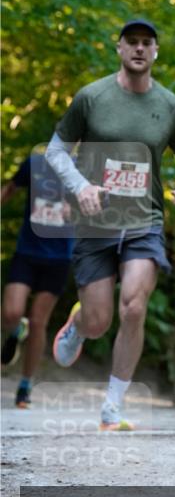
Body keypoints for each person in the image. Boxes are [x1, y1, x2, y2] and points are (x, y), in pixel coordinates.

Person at [44, 19, 175, 429]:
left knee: (133, 306)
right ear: (119, 48)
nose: (138, 48)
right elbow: (56, 151)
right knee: (100, 322)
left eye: (146, 43)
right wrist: (80, 187)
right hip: (95, 222)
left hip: (144, 222)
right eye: (131, 42)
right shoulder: (91, 98)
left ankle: (113, 406)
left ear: (155, 52)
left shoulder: (170, 107)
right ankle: (80, 323)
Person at [1, 150, 75, 406]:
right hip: (27, 252)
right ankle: (14, 330)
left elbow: (100, 209)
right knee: (11, 313)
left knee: (38, 321)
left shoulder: (84, 170)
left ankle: (24, 386)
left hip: (59, 258)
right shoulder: (34, 163)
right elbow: (11, 189)